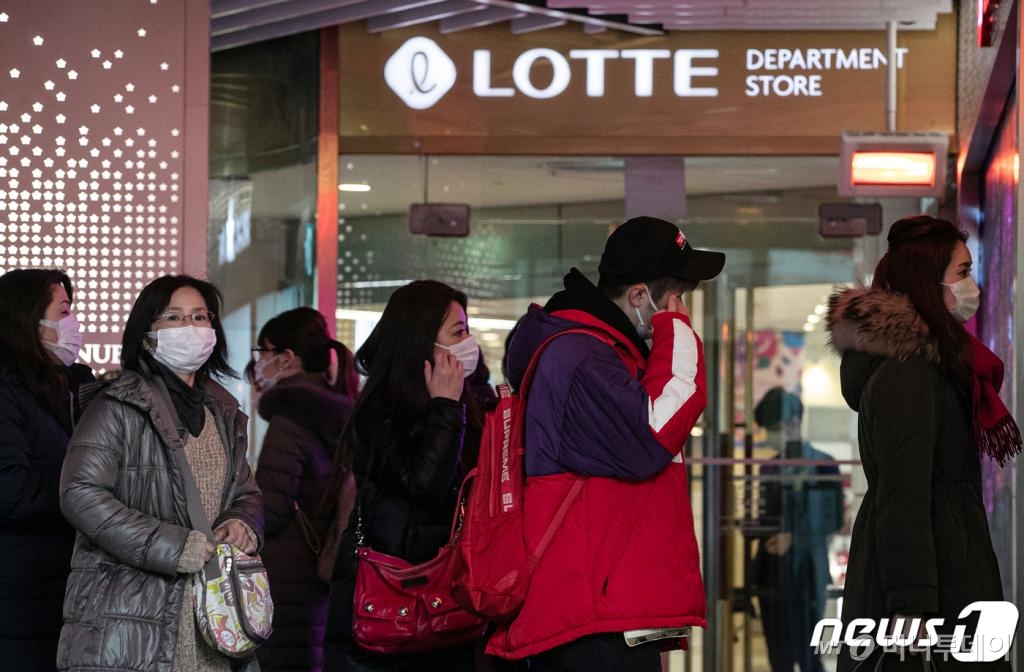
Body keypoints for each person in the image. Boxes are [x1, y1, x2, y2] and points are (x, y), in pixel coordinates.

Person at [488, 216, 725, 670]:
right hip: (587, 619)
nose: (680, 309)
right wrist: (675, 331)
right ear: (639, 296)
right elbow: (654, 435)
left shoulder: (602, 350)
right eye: (674, 298)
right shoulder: (580, 356)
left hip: (603, 610)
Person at [826, 215, 1020, 670]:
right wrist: (911, 607)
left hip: (941, 563)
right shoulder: (911, 372)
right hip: (931, 583)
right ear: (928, 282)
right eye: (963, 272)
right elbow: (904, 495)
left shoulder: (928, 362)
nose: (973, 286)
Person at [56, 274, 265, 672]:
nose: (191, 328)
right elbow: (80, 493)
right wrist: (174, 546)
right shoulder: (116, 406)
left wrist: (243, 523)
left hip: (215, 617)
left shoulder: (222, 411)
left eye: (200, 316)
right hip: (133, 618)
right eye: (174, 317)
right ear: (147, 334)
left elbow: (247, 492)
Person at [323, 279, 483, 672]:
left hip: (449, 614)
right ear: (421, 341)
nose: (469, 342)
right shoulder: (380, 411)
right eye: (458, 332)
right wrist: (445, 407)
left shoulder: (468, 404)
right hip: (383, 617)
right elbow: (423, 484)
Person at [251, 307, 358, 672]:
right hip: (321, 574)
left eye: (262, 353)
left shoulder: (290, 419)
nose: (258, 363)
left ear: (286, 360)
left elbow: (271, 509)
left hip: (286, 580)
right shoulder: (339, 414)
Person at [0, 269, 94, 671]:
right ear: (29, 319)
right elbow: (11, 490)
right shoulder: (6, 392)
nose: (73, 323)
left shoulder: (77, 389)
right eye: (65, 311)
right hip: (21, 603)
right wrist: (88, 492)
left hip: (68, 593)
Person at [751, 387, 843, 672]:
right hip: (772, 577)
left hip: (807, 574)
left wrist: (795, 538)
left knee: (809, 656)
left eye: (775, 428)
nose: (772, 436)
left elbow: (833, 518)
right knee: (778, 658)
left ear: (793, 422)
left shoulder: (823, 465)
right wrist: (766, 536)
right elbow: (765, 517)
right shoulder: (769, 469)